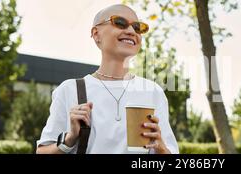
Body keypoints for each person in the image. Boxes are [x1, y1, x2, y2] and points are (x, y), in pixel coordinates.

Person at [36, 4, 178, 154]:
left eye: (137, 27)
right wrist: (70, 138)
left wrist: (161, 148)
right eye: (120, 23)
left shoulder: (152, 91)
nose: (131, 31)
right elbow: (42, 152)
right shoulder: (70, 90)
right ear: (96, 34)